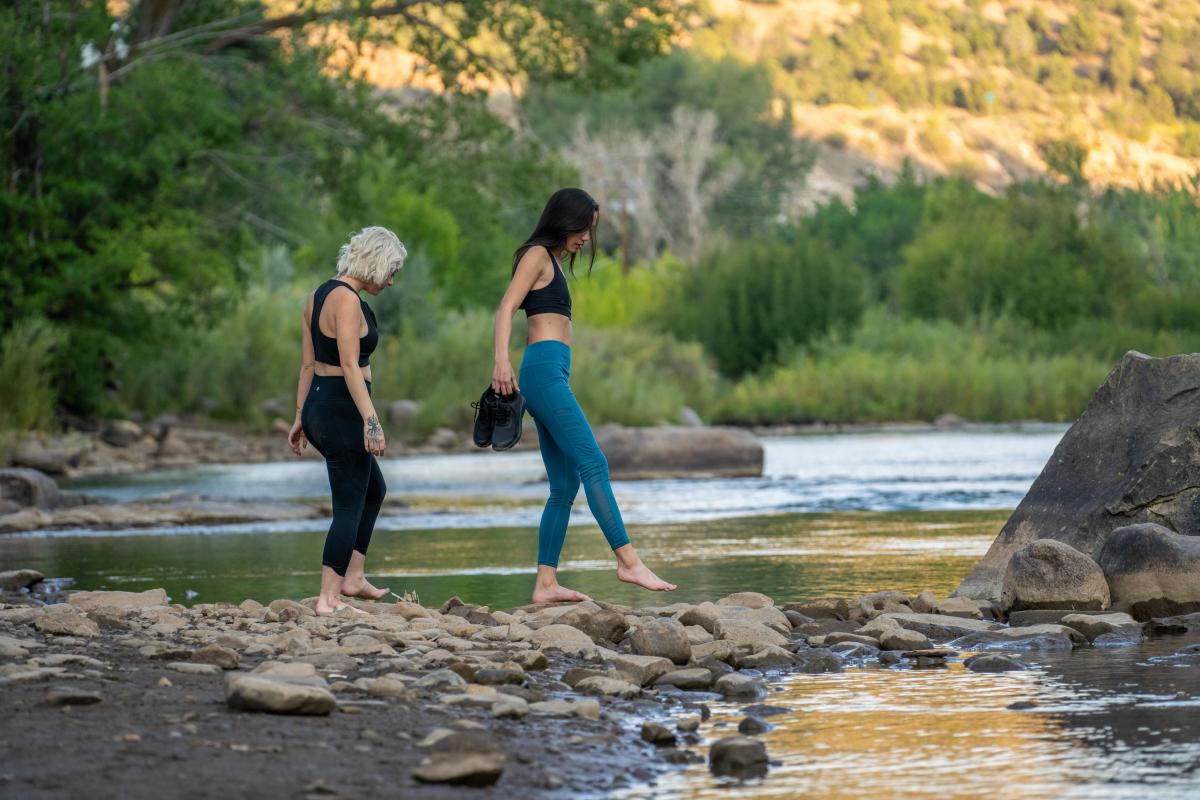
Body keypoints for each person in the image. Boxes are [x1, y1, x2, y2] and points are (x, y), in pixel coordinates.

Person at [492, 188, 677, 603]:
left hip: (551, 370)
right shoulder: (536, 255)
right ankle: (628, 562)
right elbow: (506, 308)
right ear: (564, 220)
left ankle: (545, 584)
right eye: (583, 229)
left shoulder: (552, 261)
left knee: (564, 484)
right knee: (594, 462)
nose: (586, 239)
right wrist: (501, 362)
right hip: (542, 374)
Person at [288, 226, 407, 615]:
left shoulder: (316, 295)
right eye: (390, 271)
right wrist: (371, 420)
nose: (391, 280)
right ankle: (328, 598)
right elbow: (351, 367)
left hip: (320, 406)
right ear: (374, 264)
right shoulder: (347, 301)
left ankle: (353, 577)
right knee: (349, 503)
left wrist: (299, 416)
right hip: (343, 408)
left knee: (373, 490)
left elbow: (308, 364)